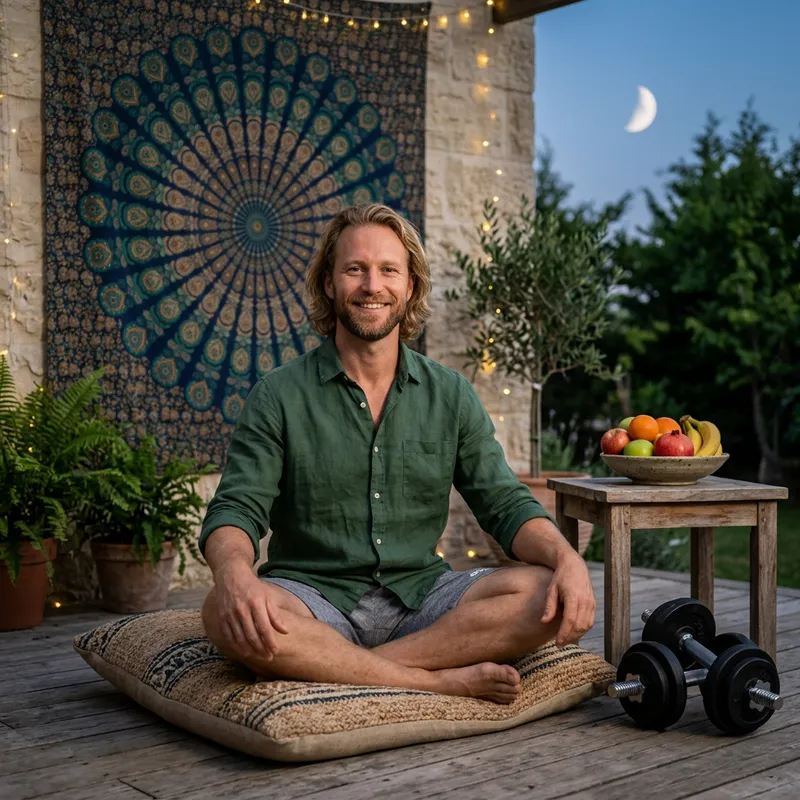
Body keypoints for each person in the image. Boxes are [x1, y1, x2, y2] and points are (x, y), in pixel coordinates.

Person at [199, 203, 596, 704]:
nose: (372, 286)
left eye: (389, 270)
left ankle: (335, 666)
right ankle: (432, 681)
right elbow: (236, 508)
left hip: (423, 598)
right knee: (221, 612)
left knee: (545, 593)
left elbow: (505, 503)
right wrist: (234, 575)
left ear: (410, 286)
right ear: (329, 284)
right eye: (355, 269)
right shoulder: (278, 395)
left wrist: (567, 559)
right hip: (311, 598)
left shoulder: (450, 394)